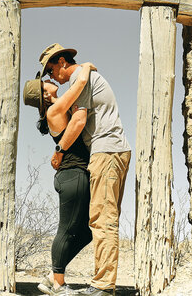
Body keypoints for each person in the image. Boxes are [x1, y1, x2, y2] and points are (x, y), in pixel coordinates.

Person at [39, 43, 132, 296]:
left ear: (61, 62)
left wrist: (58, 151)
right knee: (100, 220)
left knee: (102, 221)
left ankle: (103, 287)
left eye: (50, 70)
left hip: (106, 150)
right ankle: (102, 283)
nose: (50, 77)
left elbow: (79, 121)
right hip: (110, 150)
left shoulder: (81, 79)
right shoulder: (82, 77)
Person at [23, 61, 96, 296]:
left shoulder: (56, 106)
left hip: (75, 174)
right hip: (72, 174)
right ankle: (58, 284)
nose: (50, 80)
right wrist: (84, 68)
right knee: (65, 229)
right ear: (44, 93)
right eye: (45, 83)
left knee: (87, 232)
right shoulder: (55, 110)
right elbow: (81, 84)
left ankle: (54, 275)